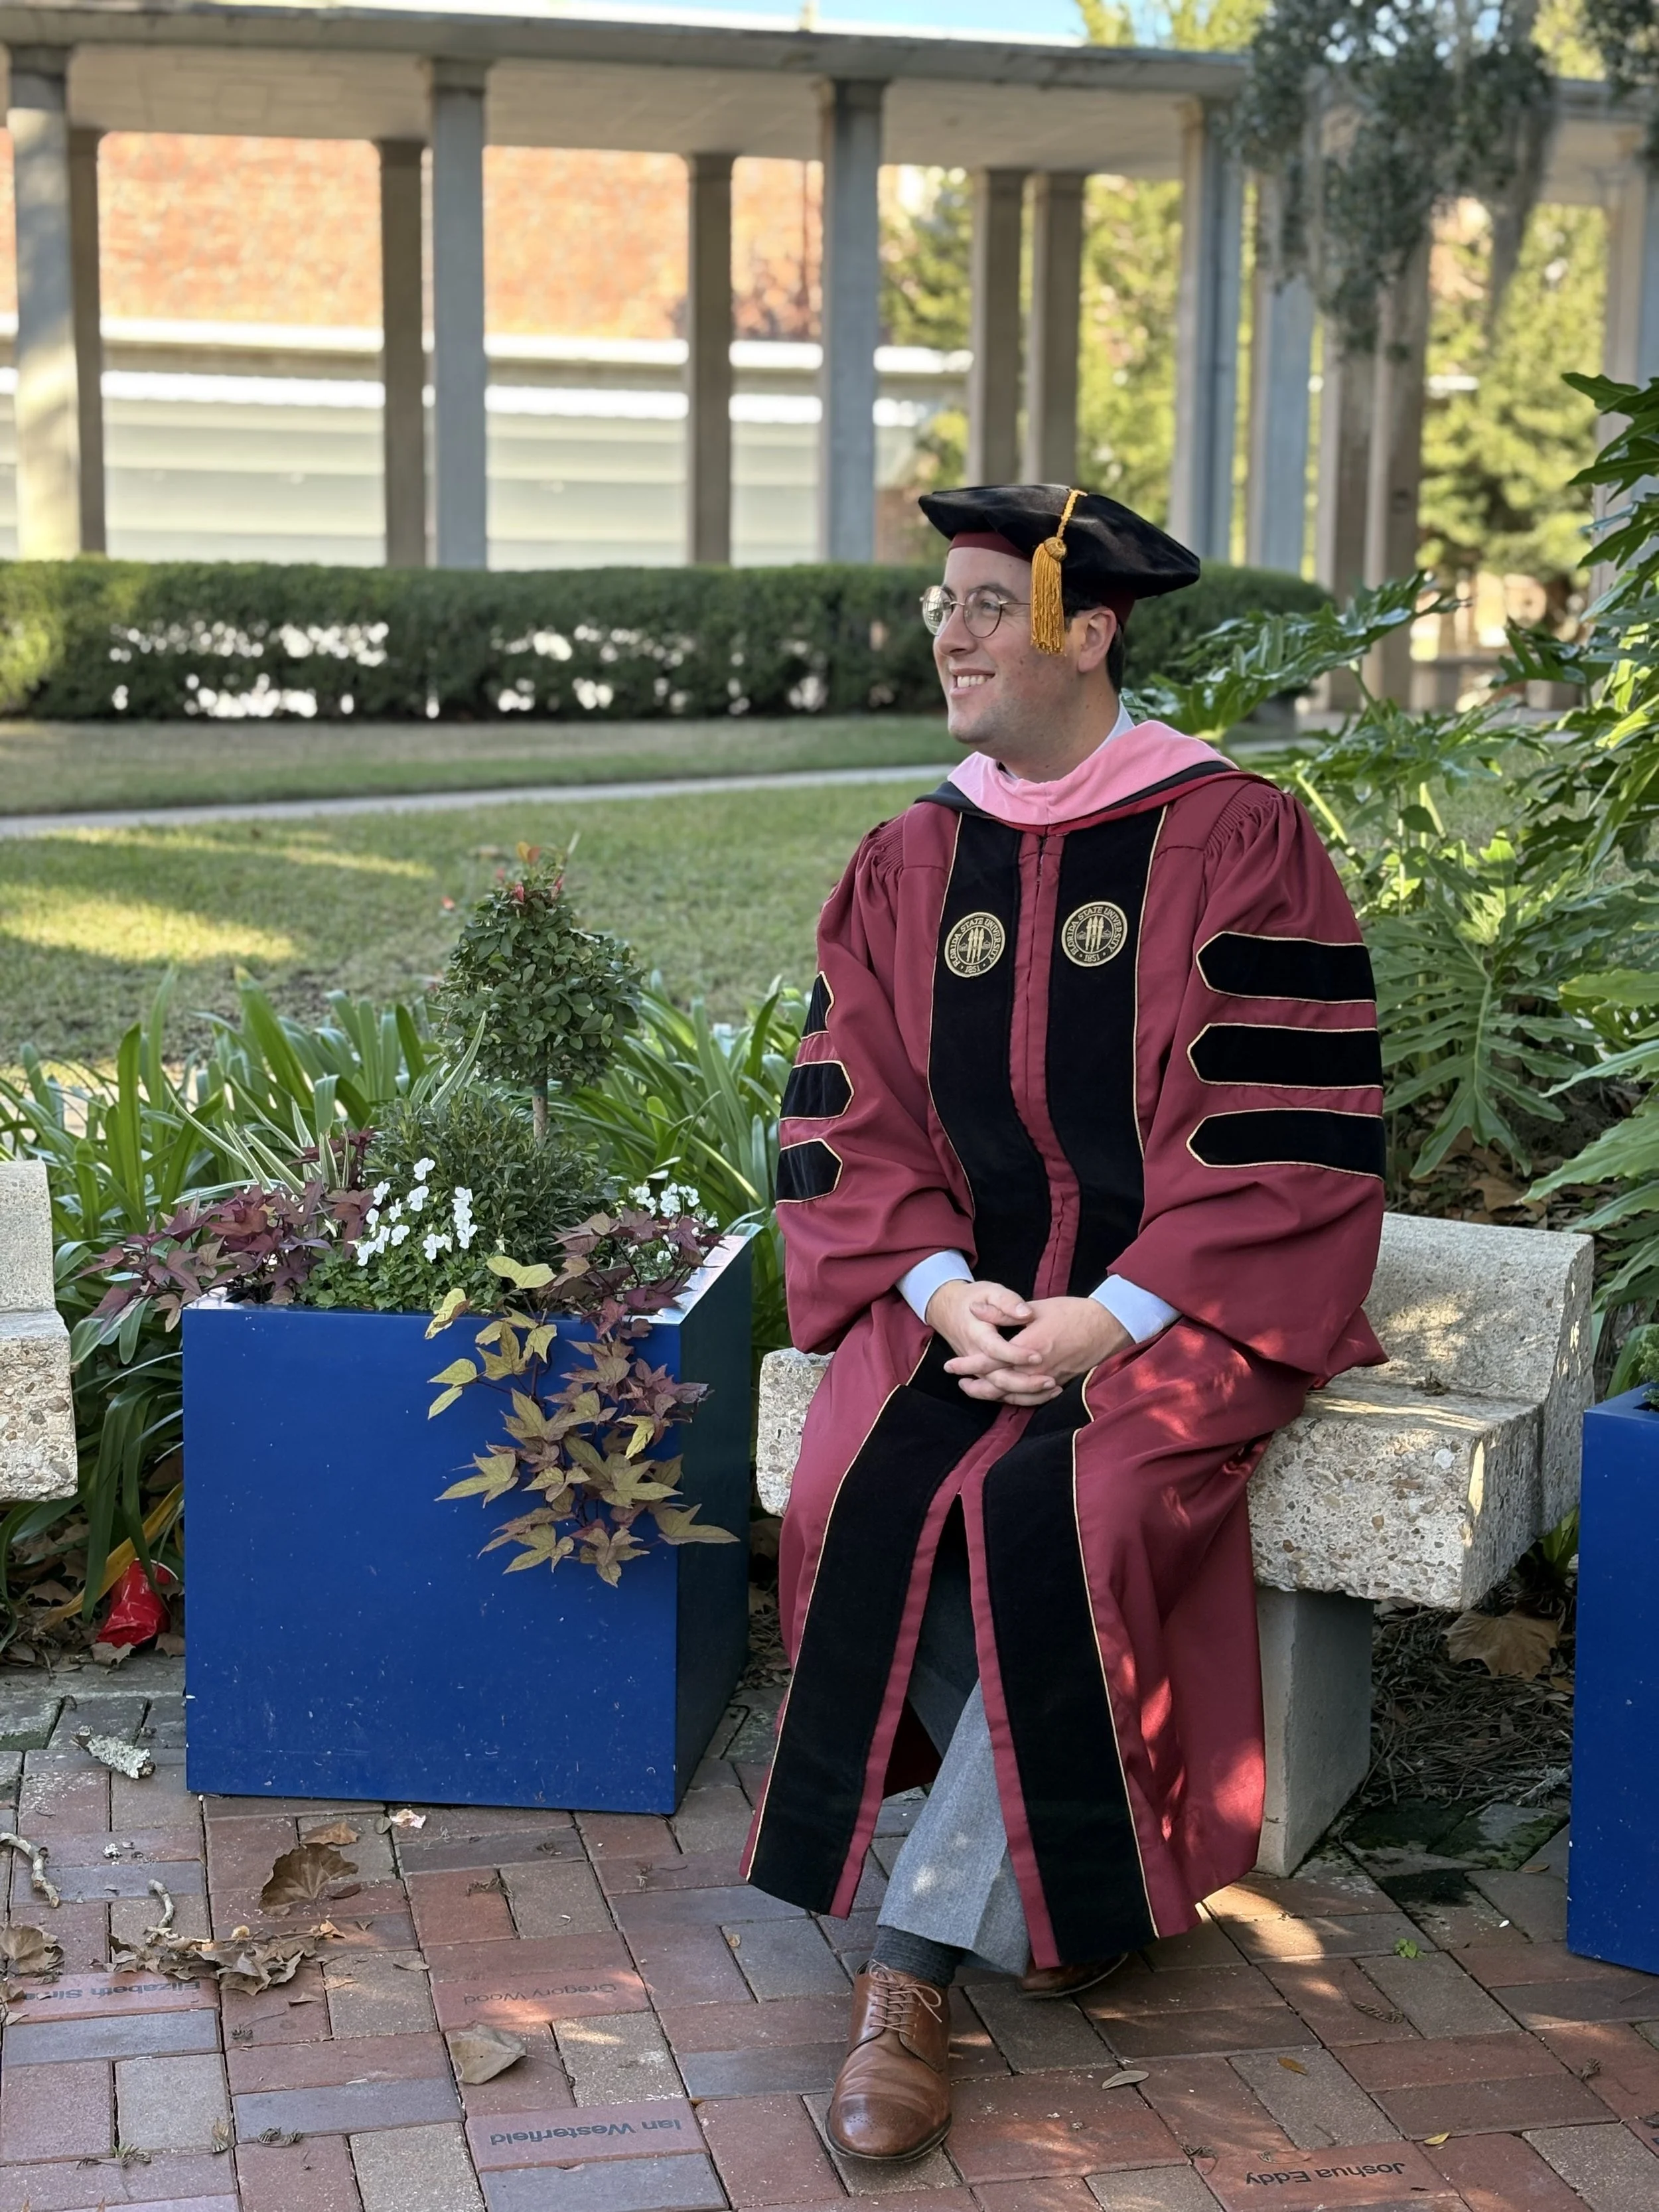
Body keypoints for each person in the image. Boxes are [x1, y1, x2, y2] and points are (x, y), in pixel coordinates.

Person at [740, 484, 1386, 2165]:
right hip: (951, 1291)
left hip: (1181, 1301)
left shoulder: (1236, 836)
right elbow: (842, 1119)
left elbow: (1286, 1133)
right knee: (858, 1493)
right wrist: (938, 1288)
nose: (943, 635)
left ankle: (908, 1961)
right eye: (940, 606)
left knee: (1071, 1508)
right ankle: (1055, 1864)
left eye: (977, 606)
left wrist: (1110, 1317)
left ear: (1083, 631)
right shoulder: (906, 857)